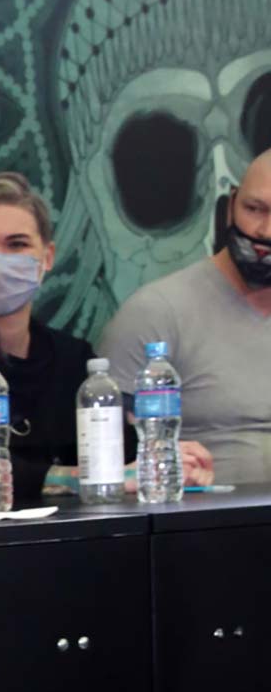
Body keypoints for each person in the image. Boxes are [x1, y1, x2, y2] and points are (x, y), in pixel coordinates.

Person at [0, 172, 212, 505]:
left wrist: (168, 465)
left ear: (47, 256)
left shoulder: (74, 359)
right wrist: (73, 478)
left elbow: (124, 458)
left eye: (16, 244)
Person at [98, 153, 271, 486]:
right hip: (204, 515)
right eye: (254, 209)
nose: (265, 231)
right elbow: (104, 458)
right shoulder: (155, 313)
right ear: (231, 205)